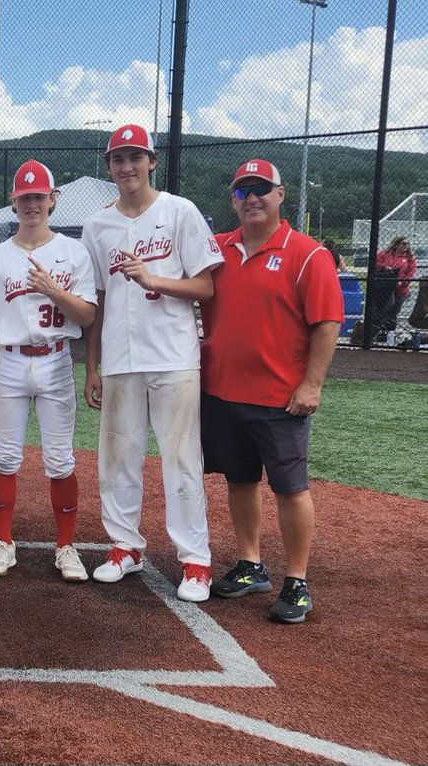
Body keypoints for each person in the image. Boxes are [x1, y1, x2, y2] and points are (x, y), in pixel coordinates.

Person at [81, 124, 223, 603]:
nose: (127, 167)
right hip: (121, 358)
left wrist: (155, 280)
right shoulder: (98, 225)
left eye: (135, 157)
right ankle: (126, 547)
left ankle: (195, 558)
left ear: (152, 161)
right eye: (118, 159)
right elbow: (96, 302)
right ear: (109, 167)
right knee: (118, 456)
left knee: (181, 455)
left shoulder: (179, 211)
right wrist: (92, 367)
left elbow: (206, 287)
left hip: (173, 354)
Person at [202, 159, 343, 624]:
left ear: (281, 195)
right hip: (223, 391)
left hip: (281, 397)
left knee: (290, 488)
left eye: (262, 189)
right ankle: (250, 564)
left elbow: (326, 324)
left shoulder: (308, 253)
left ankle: (297, 580)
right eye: (244, 191)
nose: (253, 198)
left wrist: (312, 383)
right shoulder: (218, 248)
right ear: (233, 200)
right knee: (240, 481)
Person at [0, 159, 96, 581]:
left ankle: (66, 547)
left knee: (61, 460)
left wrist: (54, 291)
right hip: (10, 361)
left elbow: (85, 316)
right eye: (24, 198)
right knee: (6, 456)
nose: (32, 205)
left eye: (39, 197)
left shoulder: (72, 251)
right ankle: (4, 543)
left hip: (56, 359)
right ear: (14, 203)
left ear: (53, 200)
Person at [374, 235, 417, 333]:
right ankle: (379, 330)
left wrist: (403, 281)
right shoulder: (385, 254)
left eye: (407, 244)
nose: (406, 246)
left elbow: (411, 272)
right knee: (386, 306)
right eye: (403, 243)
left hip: (401, 288)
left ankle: (390, 332)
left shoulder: (410, 258)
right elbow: (375, 263)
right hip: (385, 287)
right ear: (396, 244)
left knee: (394, 310)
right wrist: (385, 267)